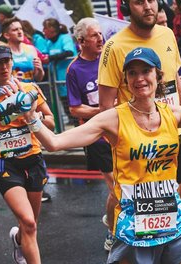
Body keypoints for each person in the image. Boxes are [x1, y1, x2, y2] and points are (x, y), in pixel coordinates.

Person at [22, 46, 181, 264]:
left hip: (173, 222)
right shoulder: (112, 118)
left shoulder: (175, 114)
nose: (140, 78)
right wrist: (32, 118)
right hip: (134, 228)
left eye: (146, 71)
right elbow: (54, 143)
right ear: (125, 80)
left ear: (158, 76)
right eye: (132, 73)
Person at [98, 0, 181, 263]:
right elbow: (105, 107)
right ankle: (115, 228)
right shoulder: (114, 47)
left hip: (176, 135)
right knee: (136, 210)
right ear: (126, 7)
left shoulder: (167, 34)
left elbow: (172, 84)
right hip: (140, 145)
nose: (147, 6)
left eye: (151, 0)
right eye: (138, 1)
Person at [0, 42, 55, 264]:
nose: (4, 67)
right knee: (28, 221)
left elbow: (52, 122)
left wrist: (32, 117)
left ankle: (18, 239)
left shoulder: (30, 90)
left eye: (6, 61)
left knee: (30, 225)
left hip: (34, 158)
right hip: (3, 162)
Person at [66, 17, 116, 251]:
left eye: (100, 34)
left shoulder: (109, 59)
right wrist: (102, 110)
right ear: (81, 41)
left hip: (120, 127)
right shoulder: (74, 69)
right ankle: (112, 231)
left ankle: (117, 219)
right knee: (116, 185)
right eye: (95, 35)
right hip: (96, 133)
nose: (100, 38)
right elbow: (75, 108)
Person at [42, 18, 78, 126]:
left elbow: (69, 52)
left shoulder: (64, 38)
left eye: (45, 28)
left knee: (75, 108)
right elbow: (45, 54)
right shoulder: (48, 42)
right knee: (66, 107)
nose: (43, 31)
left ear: (52, 29)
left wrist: (52, 58)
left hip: (70, 78)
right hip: (58, 81)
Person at [2, 17, 44, 83]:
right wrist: (12, 80)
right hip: (13, 91)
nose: (19, 32)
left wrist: (40, 70)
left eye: (21, 29)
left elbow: (38, 78)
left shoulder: (31, 49)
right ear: (7, 35)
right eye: (15, 30)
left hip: (31, 91)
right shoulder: (3, 52)